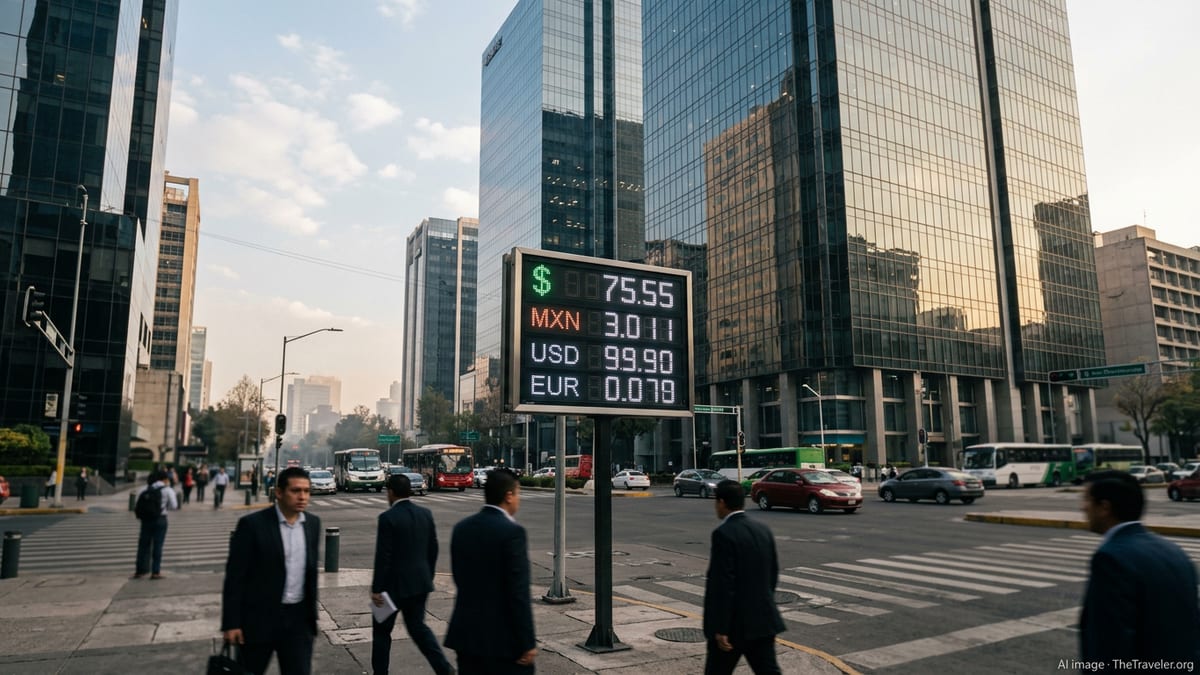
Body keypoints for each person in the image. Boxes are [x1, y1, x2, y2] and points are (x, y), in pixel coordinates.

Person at [1078, 470, 1200, 664]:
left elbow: (1109, 648)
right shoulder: (1174, 551)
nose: (1082, 508)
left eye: (1086, 499)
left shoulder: (1110, 559)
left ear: (1104, 507)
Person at [221, 467, 321, 675]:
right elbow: (235, 577)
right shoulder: (252, 525)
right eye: (295, 491)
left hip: (298, 621)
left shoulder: (312, 524)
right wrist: (231, 623)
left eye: (306, 491)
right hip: (259, 620)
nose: (302, 497)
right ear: (279, 492)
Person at [444, 468, 536, 673]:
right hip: (502, 642)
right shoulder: (513, 533)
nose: (518, 499)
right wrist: (527, 641)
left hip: (466, 635)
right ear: (509, 496)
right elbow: (518, 593)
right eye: (518, 493)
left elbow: (460, 578)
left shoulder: (462, 528)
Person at [371, 473, 454, 675]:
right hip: (419, 584)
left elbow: (384, 556)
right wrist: (428, 576)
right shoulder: (425, 513)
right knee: (418, 628)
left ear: (390, 492)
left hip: (391, 588)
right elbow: (433, 549)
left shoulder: (387, 518)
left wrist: (376, 589)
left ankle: (380, 672)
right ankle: (444, 668)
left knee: (381, 632)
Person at [703, 479, 785, 675]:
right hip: (763, 620)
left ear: (721, 502)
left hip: (733, 627)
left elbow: (723, 584)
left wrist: (721, 627)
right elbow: (772, 574)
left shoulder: (724, 533)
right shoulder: (763, 529)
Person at [132, 469, 178, 580]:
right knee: (158, 545)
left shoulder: (144, 489)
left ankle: (140, 571)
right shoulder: (168, 490)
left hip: (146, 520)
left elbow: (137, 504)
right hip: (160, 519)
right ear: (165, 479)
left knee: (143, 545)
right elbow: (174, 506)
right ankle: (155, 572)